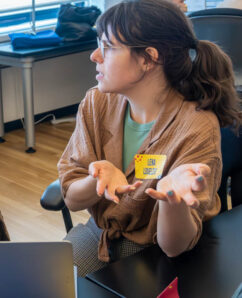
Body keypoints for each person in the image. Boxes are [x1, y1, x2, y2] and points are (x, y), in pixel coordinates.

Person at [58, 0, 241, 277]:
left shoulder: (197, 126)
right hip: (102, 233)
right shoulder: (97, 102)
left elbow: (174, 247)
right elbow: (71, 198)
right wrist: (97, 177)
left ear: (148, 59)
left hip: (153, 245)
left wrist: (172, 201)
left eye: (107, 47)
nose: (95, 55)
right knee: (42, 281)